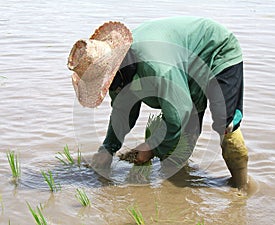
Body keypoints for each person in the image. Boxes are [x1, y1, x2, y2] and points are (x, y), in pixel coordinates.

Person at [67, 16, 249, 190]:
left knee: (226, 124)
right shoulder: (121, 75)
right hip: (183, 64)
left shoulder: (157, 68)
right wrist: (108, 148)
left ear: (116, 71)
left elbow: (180, 113)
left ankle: (242, 190)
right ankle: (176, 184)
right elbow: (122, 113)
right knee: (181, 136)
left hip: (216, 50)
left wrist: (152, 147)